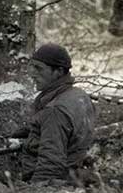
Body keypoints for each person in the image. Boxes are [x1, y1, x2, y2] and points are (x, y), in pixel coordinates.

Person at [13, 43, 95, 184]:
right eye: (31, 66)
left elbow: (50, 167)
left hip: (57, 184)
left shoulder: (54, 110)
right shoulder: (79, 95)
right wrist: (32, 131)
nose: (32, 73)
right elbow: (70, 132)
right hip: (76, 177)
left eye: (39, 68)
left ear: (58, 71)